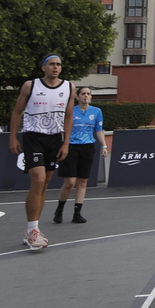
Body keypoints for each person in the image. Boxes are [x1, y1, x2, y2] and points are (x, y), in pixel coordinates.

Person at [8, 56, 75, 250]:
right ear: (43, 67)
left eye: (59, 64)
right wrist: (13, 138)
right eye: (52, 64)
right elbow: (17, 112)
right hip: (33, 137)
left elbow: (69, 116)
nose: (56, 67)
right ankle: (32, 230)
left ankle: (32, 229)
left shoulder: (69, 87)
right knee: (37, 180)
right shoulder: (31, 86)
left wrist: (66, 143)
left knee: (44, 184)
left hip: (54, 139)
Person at [53, 86, 106, 224]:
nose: (86, 96)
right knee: (70, 182)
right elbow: (62, 130)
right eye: (83, 94)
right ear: (77, 97)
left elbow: (99, 130)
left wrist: (104, 145)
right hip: (71, 147)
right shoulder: (70, 110)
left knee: (82, 181)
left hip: (87, 147)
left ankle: (77, 213)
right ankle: (59, 209)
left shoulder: (97, 111)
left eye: (88, 94)